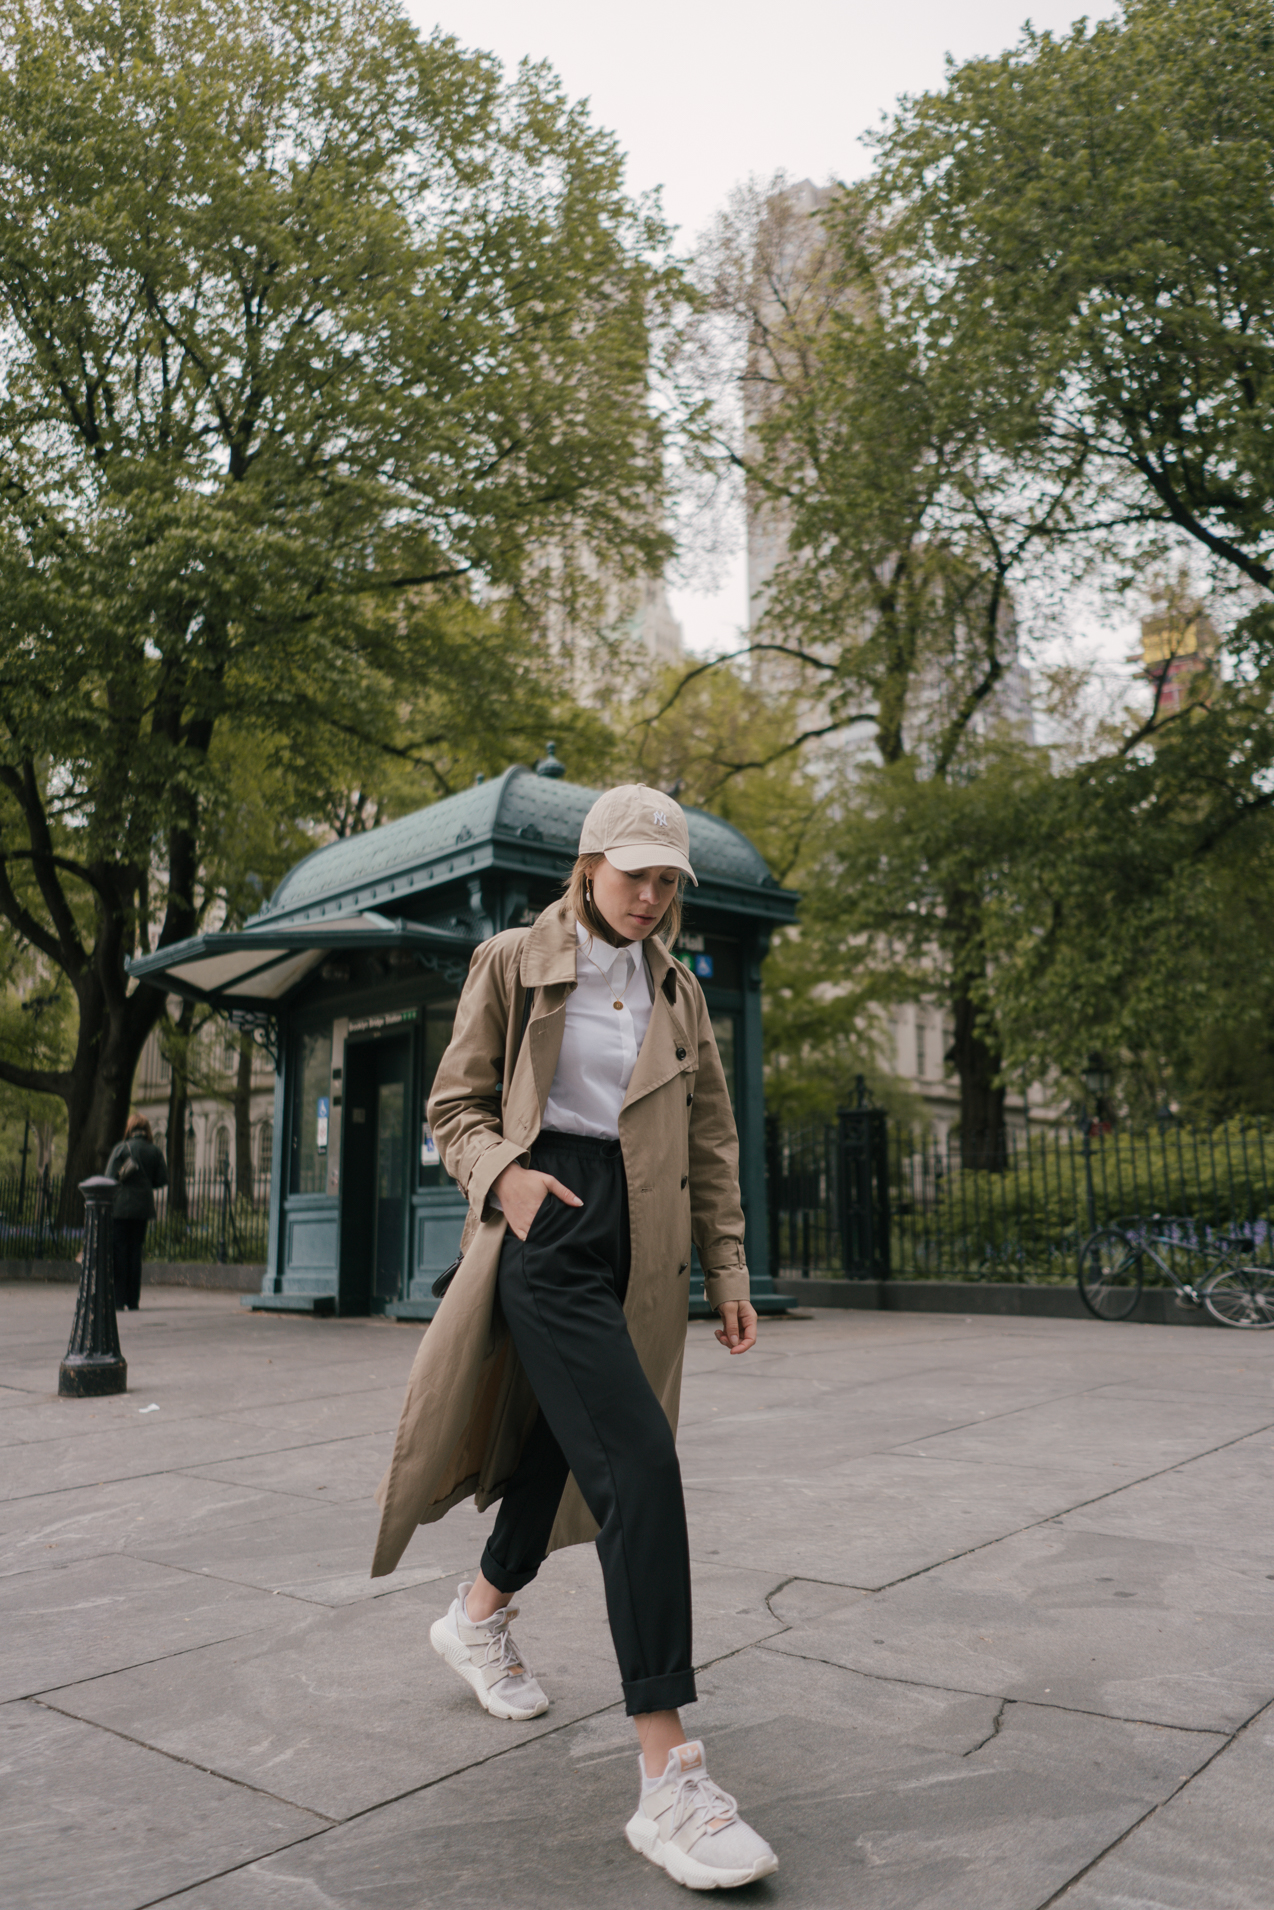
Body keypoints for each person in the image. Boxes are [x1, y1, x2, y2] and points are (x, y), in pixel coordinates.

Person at [371, 784, 778, 1891]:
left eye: (667, 880)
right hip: (544, 1217)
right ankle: (668, 1775)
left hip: (639, 1240)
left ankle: (476, 1616)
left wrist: (726, 1265)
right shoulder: (511, 958)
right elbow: (453, 1106)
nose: (650, 897)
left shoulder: (678, 992)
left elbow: (710, 1140)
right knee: (639, 1464)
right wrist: (505, 1179)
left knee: (570, 1443)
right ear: (588, 864)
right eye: (633, 873)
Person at [105, 1113, 168, 1311]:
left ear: (130, 1128)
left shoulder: (121, 1149)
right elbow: (162, 1179)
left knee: (119, 1252)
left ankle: (118, 1299)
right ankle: (133, 1301)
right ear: (146, 1129)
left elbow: (109, 1177)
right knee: (135, 1253)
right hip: (143, 1209)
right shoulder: (154, 1151)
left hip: (121, 1209)